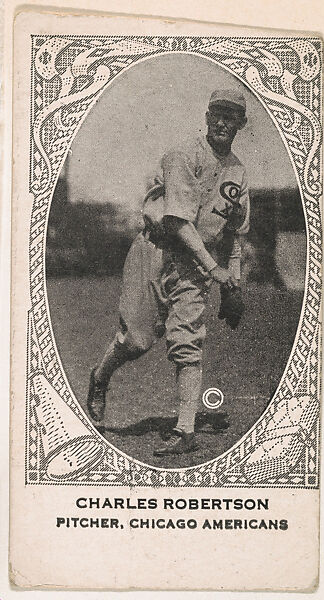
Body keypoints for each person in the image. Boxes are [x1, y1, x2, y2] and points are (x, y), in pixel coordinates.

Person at [87, 89, 250, 456]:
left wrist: (233, 286)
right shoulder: (183, 155)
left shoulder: (238, 172)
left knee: (187, 342)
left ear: (242, 123)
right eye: (218, 115)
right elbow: (177, 222)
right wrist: (215, 270)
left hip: (194, 265)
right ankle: (99, 376)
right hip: (156, 251)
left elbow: (234, 236)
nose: (223, 122)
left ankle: (186, 429)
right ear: (207, 117)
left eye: (232, 116)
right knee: (137, 341)